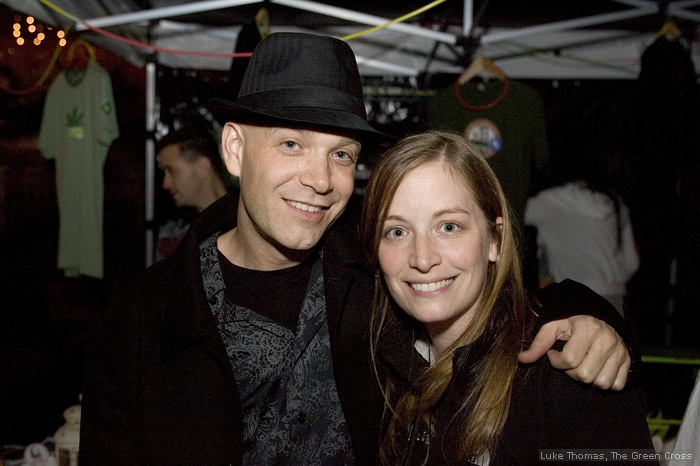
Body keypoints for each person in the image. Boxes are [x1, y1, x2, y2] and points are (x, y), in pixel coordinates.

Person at [80, 33, 634, 466]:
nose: (319, 178)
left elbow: (492, 304)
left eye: (342, 155)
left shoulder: (373, 282)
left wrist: (586, 315)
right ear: (234, 149)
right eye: (292, 144)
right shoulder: (141, 320)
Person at [360, 131, 655, 466]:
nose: (423, 258)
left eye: (449, 227)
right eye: (397, 232)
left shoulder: (563, 374)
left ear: (494, 240)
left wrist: (599, 315)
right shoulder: (379, 365)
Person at [155, 126, 229, 259]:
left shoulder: (250, 226)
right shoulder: (173, 235)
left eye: (171, 171)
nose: (165, 184)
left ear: (203, 167)